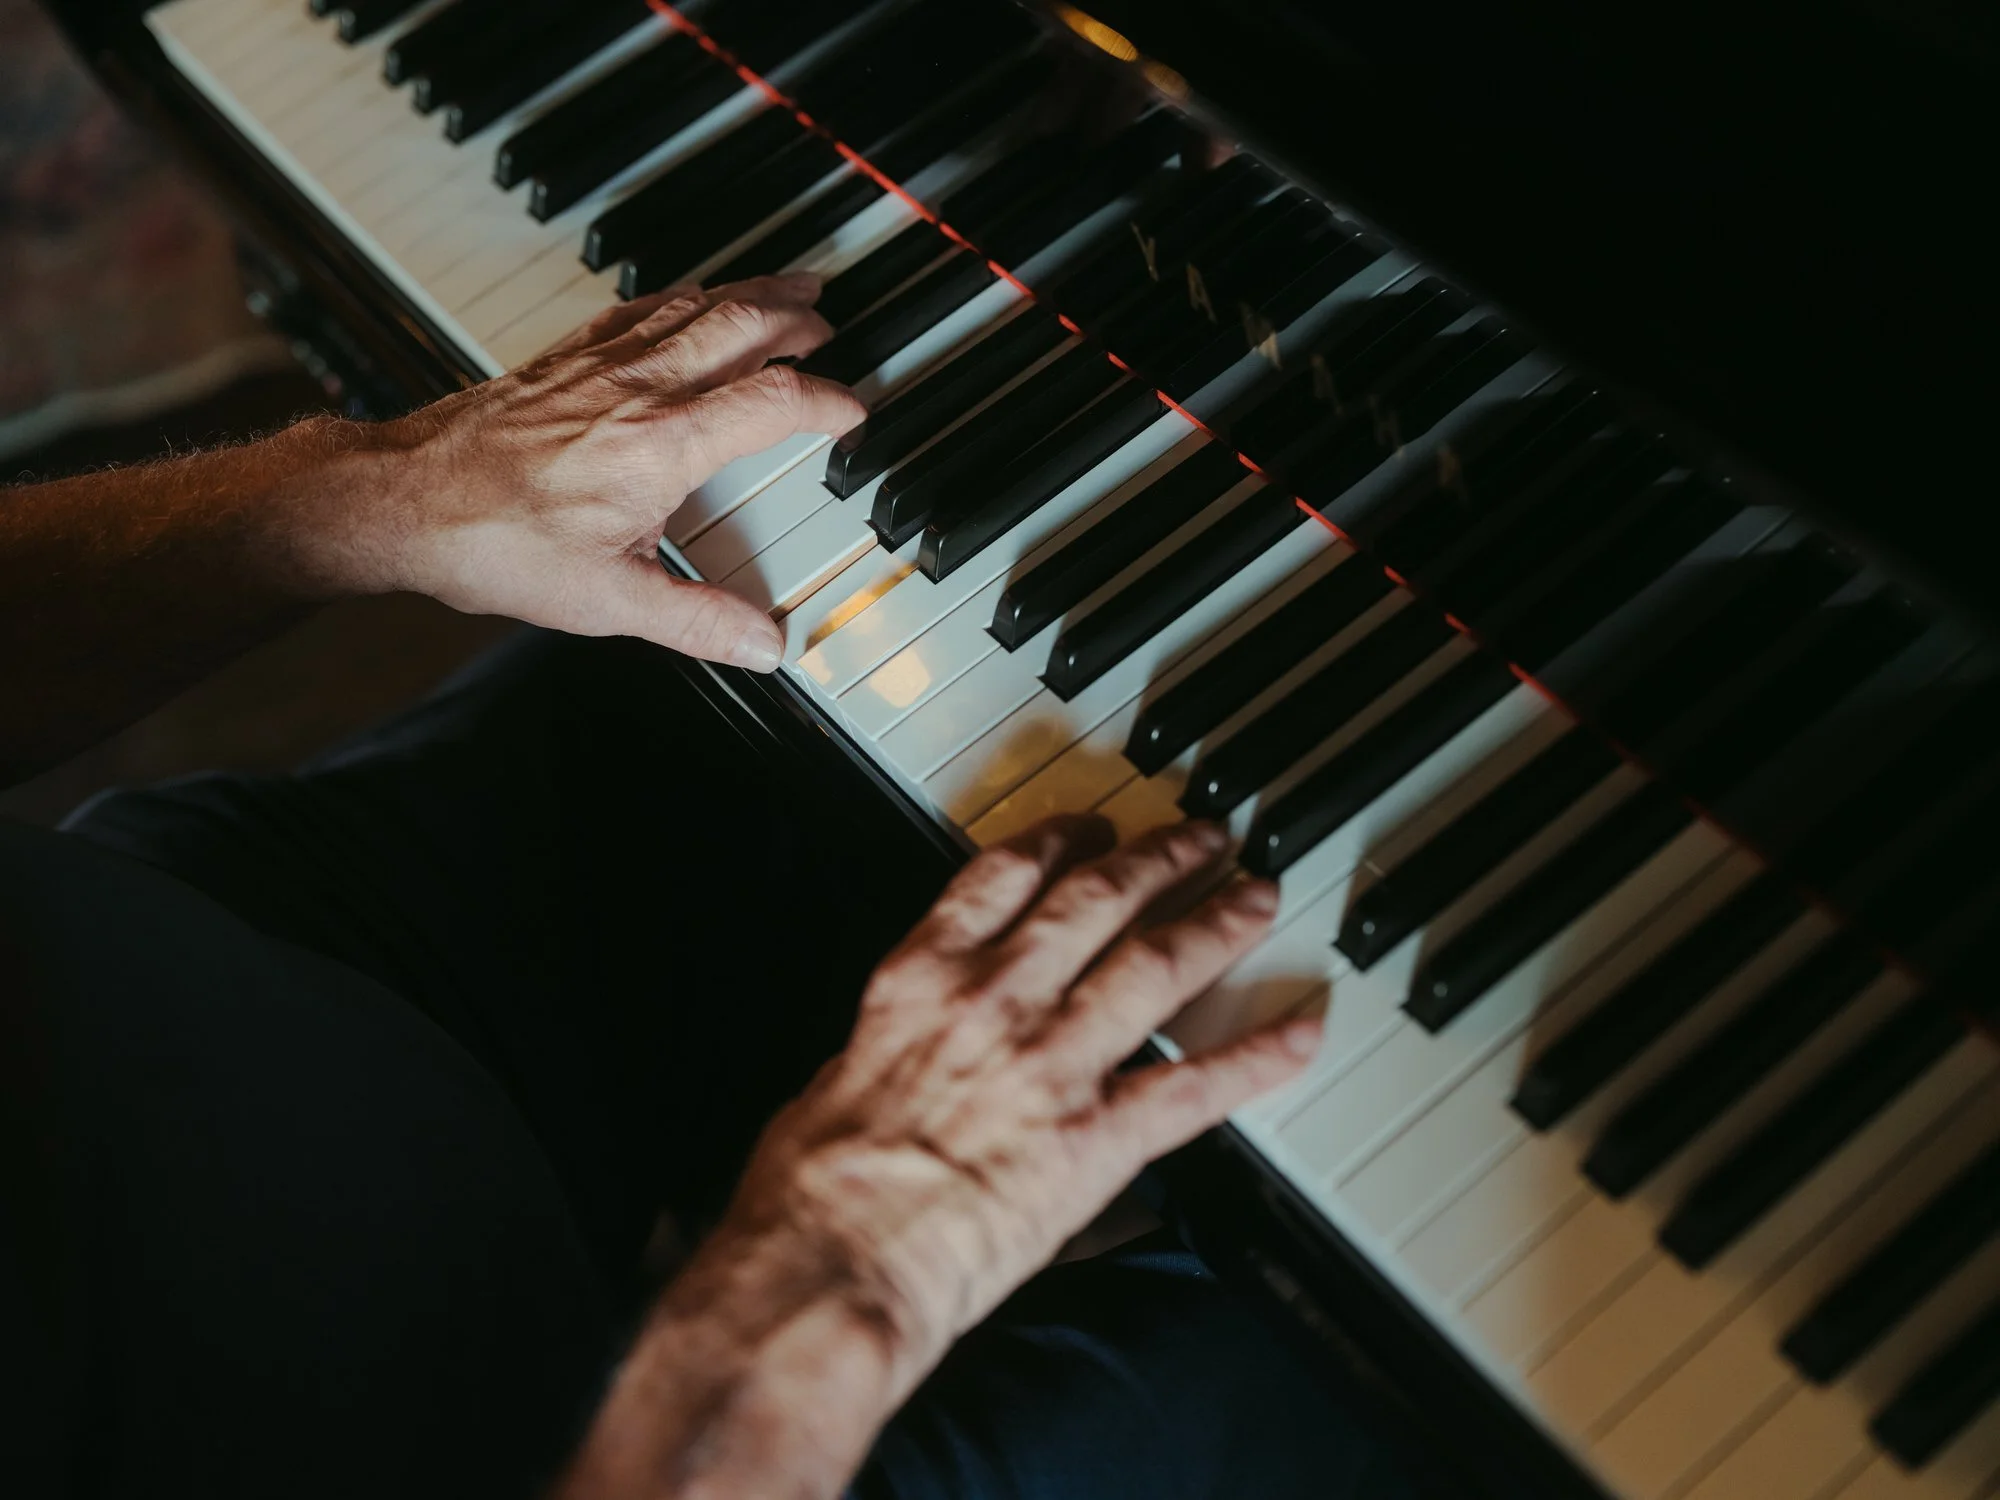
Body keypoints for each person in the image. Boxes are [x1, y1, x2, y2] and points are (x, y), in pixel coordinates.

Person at [1, 274, 1420, 1498]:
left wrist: (370, 490)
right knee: (1379, 1359)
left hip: (229, 976)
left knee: (754, 675)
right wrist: (806, 1295)